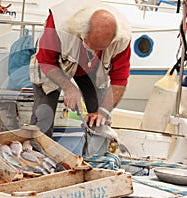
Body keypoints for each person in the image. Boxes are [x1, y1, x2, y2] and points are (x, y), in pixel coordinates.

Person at [29, 0, 132, 140]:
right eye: (92, 46)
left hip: (93, 69)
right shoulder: (59, 25)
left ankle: (96, 158)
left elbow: (119, 80)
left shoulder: (122, 39)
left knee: (100, 119)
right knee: (43, 118)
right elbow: (46, 61)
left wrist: (103, 111)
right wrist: (69, 87)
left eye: (100, 49)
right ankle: (38, 154)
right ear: (82, 34)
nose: (95, 52)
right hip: (55, 64)